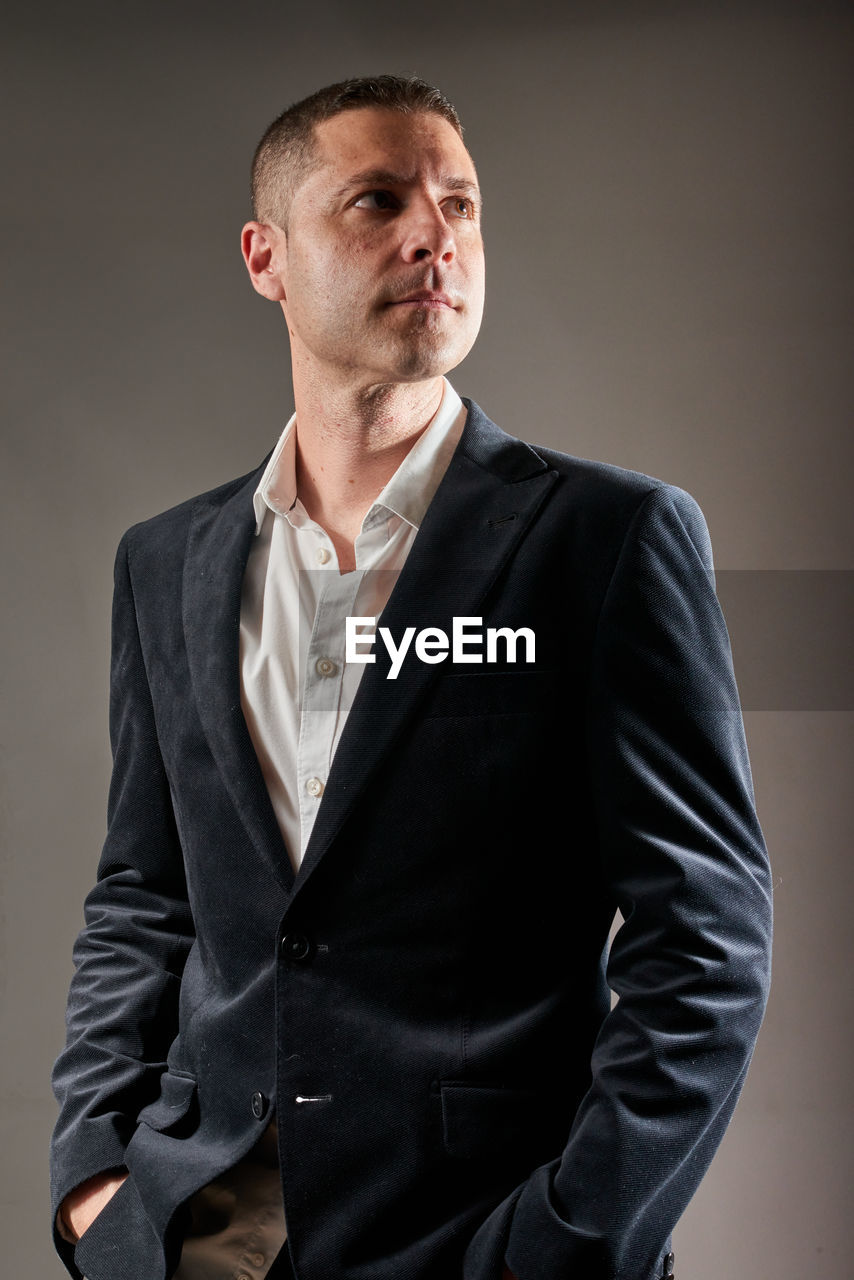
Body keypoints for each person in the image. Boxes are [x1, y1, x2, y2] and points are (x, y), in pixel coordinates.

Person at [50, 75, 773, 1280]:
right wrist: (93, 1175)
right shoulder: (164, 563)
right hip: (201, 1227)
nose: (433, 234)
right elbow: (143, 893)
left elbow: (703, 937)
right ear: (264, 257)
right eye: (375, 200)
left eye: (459, 203)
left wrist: (564, 1240)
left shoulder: (606, 539)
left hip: (477, 1231)